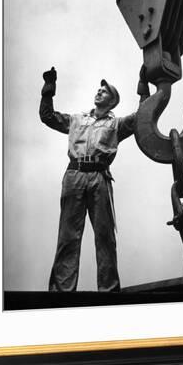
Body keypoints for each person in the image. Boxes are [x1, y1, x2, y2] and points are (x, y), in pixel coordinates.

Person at [39, 66, 149, 292]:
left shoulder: (117, 124)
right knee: (68, 236)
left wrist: (143, 86)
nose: (99, 93)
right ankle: (61, 293)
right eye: (98, 90)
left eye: (105, 91)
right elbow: (47, 117)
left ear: (113, 101)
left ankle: (109, 291)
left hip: (99, 177)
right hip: (74, 175)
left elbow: (143, 117)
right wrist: (48, 89)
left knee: (105, 236)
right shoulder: (77, 119)